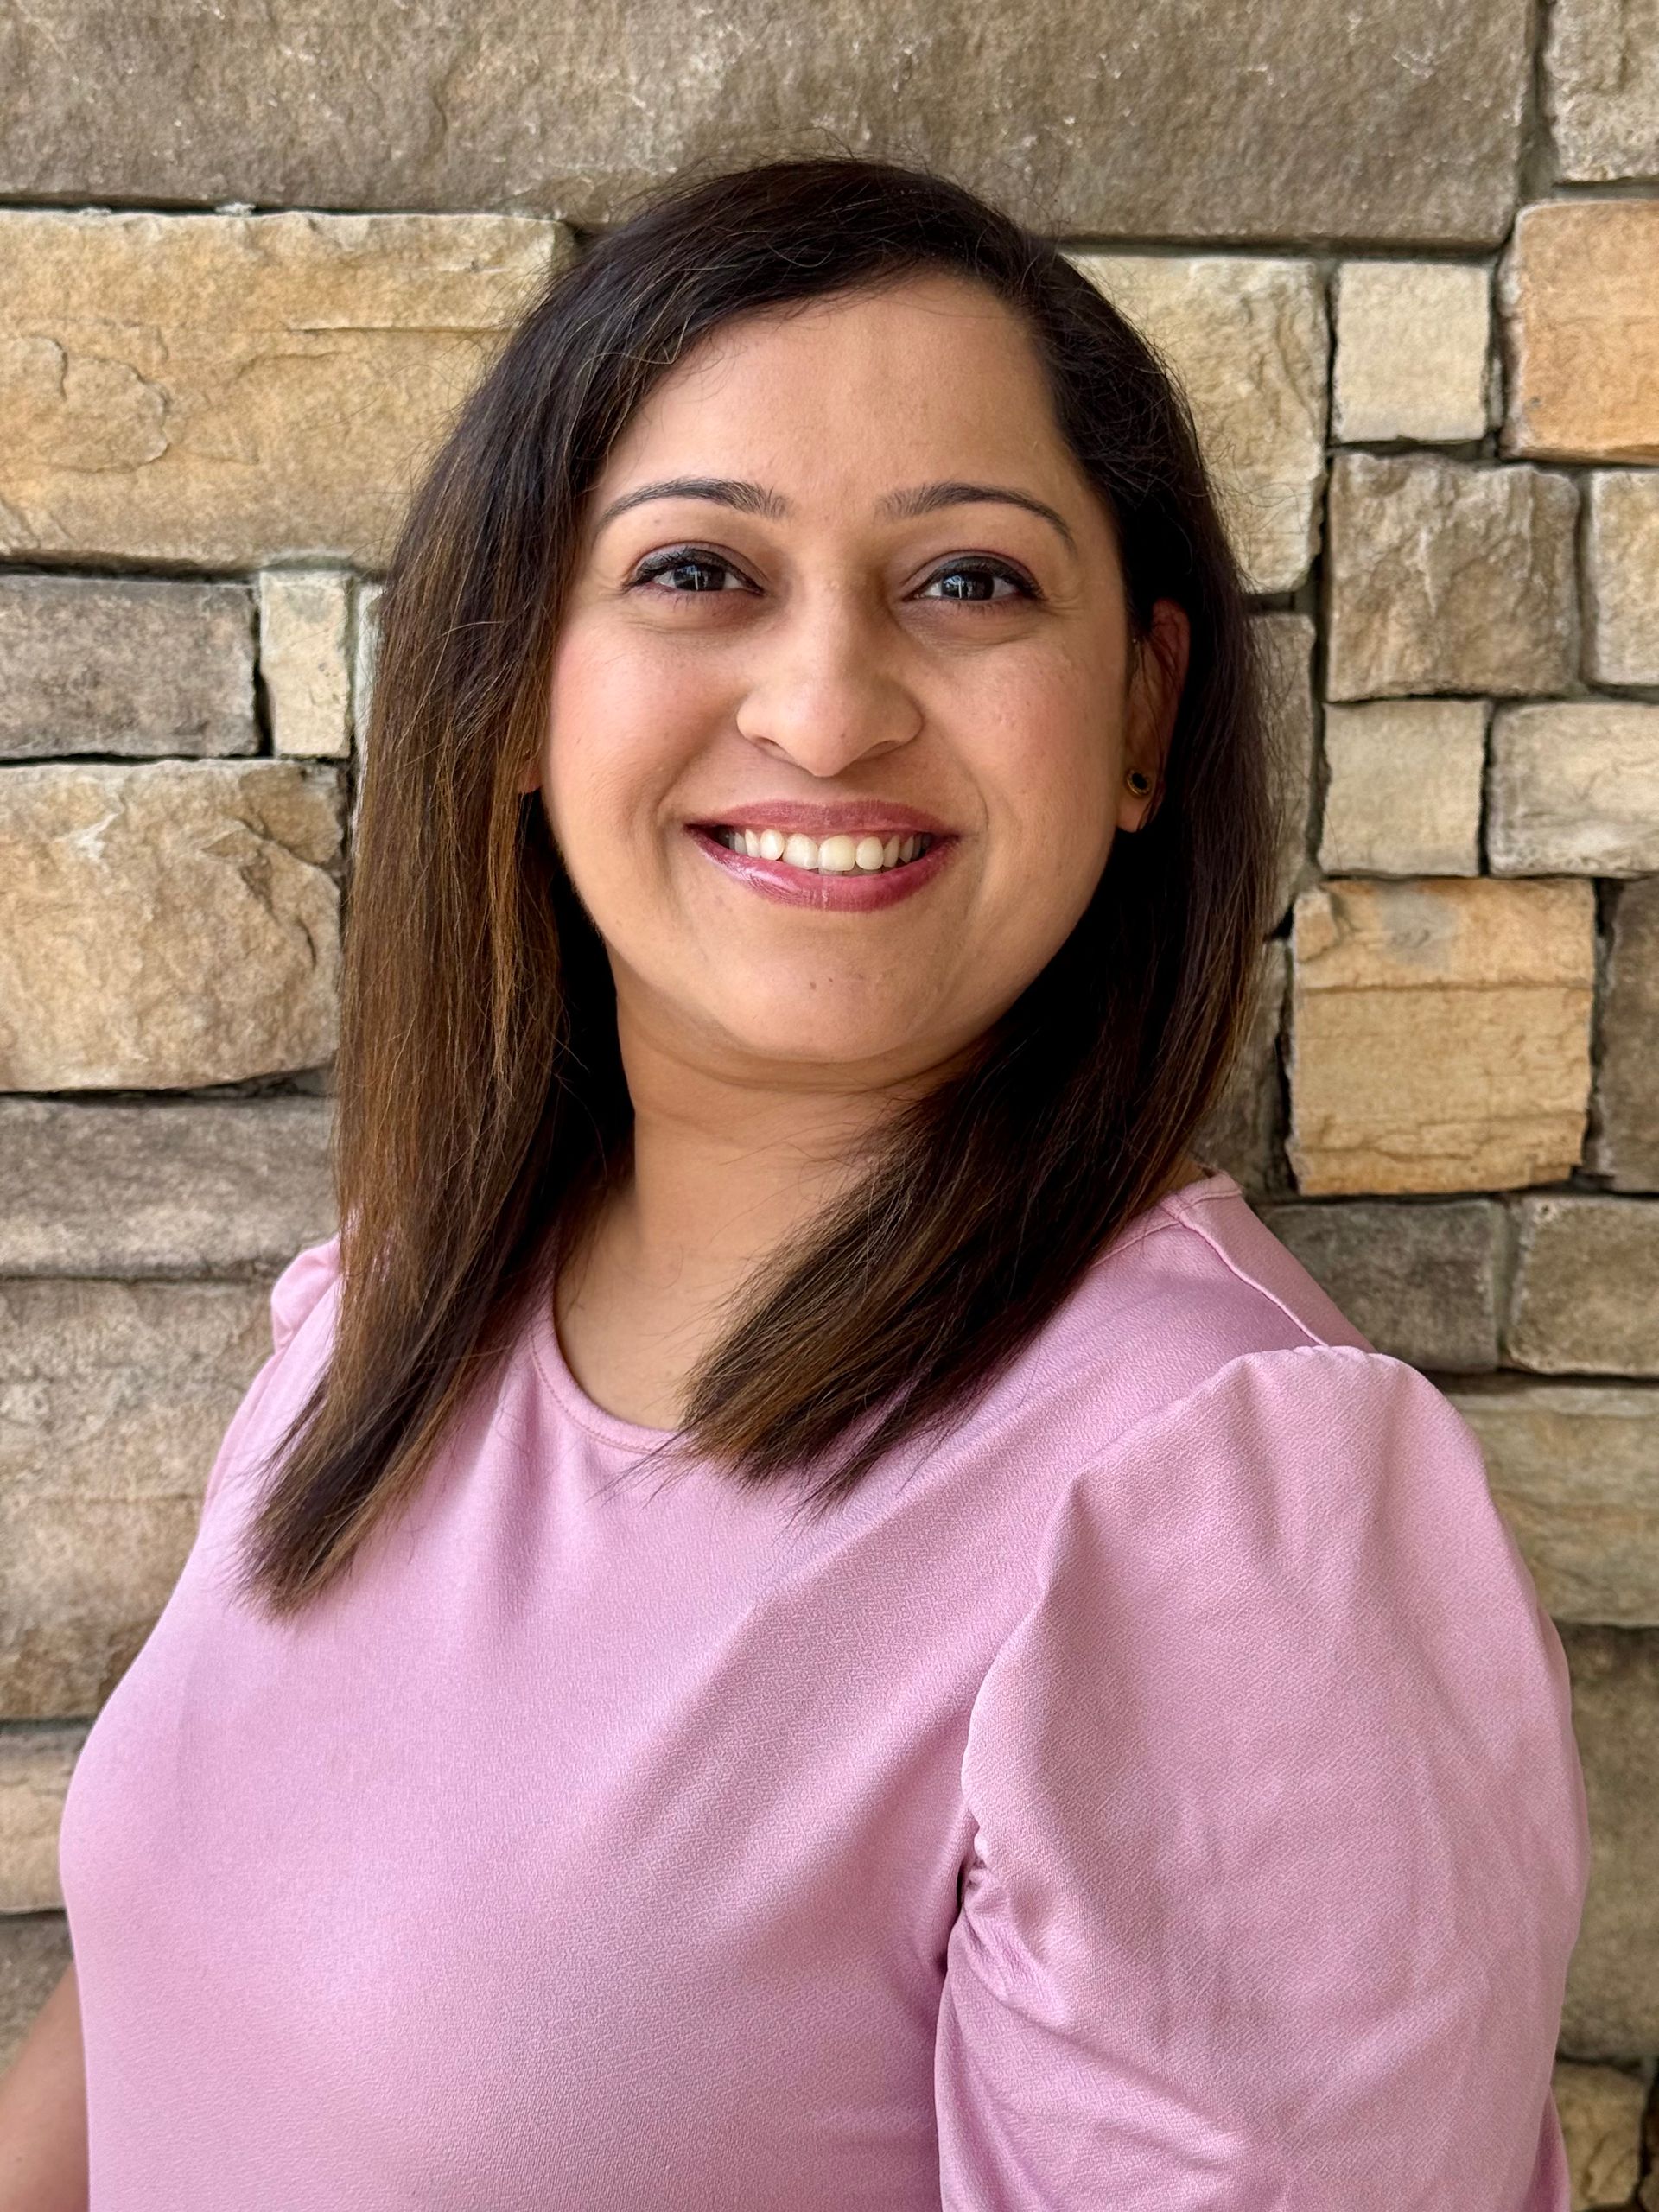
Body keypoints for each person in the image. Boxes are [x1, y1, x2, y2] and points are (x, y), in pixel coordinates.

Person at [2, 156, 1587, 2209]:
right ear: (511, 694)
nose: (830, 706)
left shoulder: (1220, 1518)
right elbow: (144, 2019)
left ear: (1140, 715)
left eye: (970, 582)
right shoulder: (382, 1317)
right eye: (696, 574)